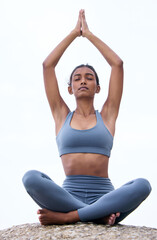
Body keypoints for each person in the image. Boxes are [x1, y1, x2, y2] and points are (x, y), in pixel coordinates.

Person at [22, 9, 151, 226]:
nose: (83, 81)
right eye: (77, 78)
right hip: (67, 198)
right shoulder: (60, 114)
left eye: (89, 78)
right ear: (70, 88)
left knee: (143, 184)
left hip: (106, 197)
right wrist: (74, 33)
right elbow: (48, 66)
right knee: (31, 178)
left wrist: (88, 35)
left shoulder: (108, 114)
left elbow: (117, 64)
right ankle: (95, 215)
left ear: (98, 87)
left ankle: (72, 217)